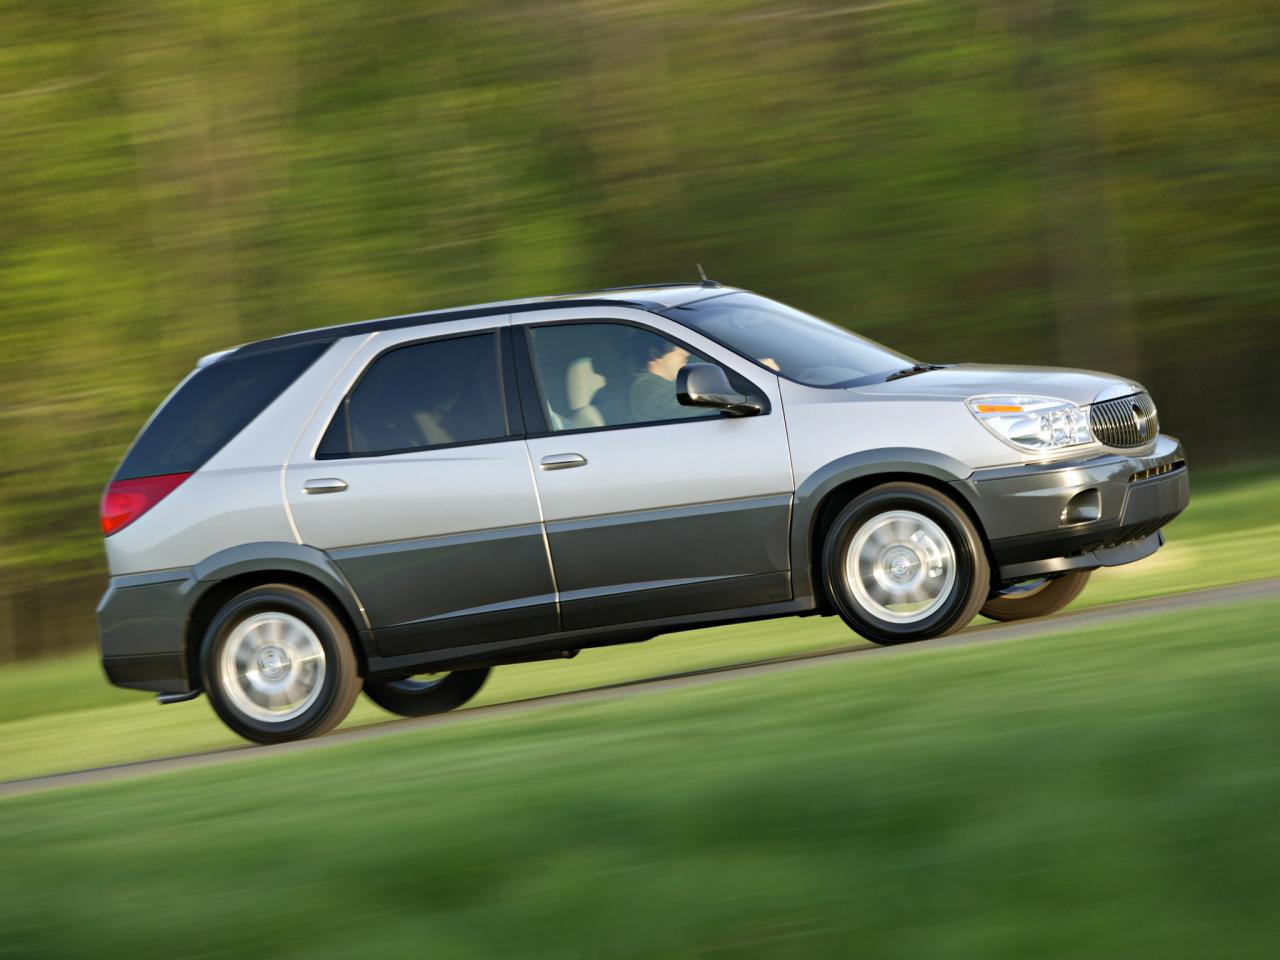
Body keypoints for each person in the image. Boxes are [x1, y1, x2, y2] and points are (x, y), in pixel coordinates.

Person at [630, 338, 706, 422]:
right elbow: (705, 398)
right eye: (675, 345)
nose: (686, 353)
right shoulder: (645, 388)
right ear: (654, 353)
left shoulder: (666, 385)